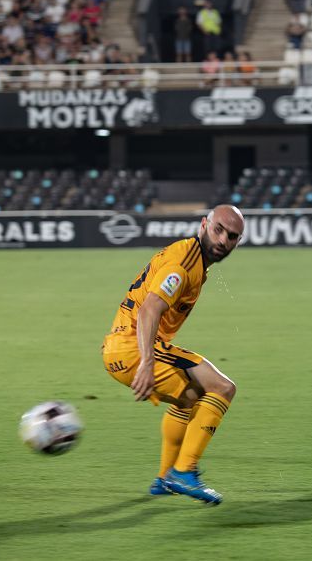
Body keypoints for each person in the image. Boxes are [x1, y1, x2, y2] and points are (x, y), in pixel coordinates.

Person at [102, 204, 245, 505]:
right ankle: (183, 471)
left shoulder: (193, 261)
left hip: (123, 347)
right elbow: (148, 311)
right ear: (204, 224)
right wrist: (147, 363)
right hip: (133, 348)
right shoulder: (183, 264)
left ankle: (165, 478)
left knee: (191, 397)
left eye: (231, 237)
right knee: (223, 388)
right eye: (218, 230)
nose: (222, 240)